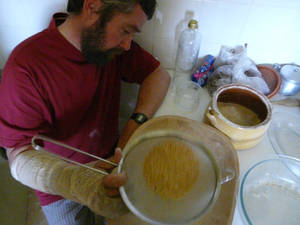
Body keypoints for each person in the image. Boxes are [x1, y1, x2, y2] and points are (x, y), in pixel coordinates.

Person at [0, 0, 170, 224]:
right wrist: (78, 183)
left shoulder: (109, 47)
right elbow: (18, 156)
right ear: (93, 8)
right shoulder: (26, 66)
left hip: (110, 160)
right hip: (58, 184)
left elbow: (159, 76)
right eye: (126, 30)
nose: (128, 44)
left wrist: (129, 134)